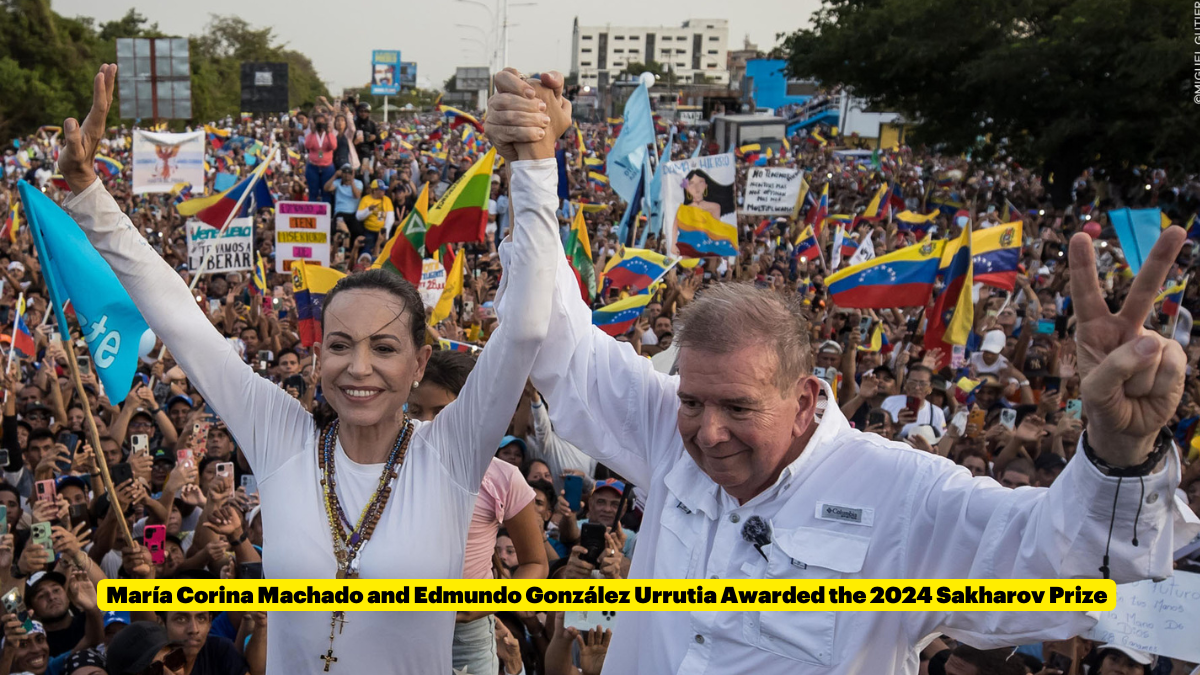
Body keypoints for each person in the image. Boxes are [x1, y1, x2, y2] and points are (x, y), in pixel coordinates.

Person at [487, 67, 1198, 674]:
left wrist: (1119, 450)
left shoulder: (903, 496)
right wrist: (534, 166)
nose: (705, 433)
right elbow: (552, 331)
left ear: (803, 397)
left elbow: (1061, 565)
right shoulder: (667, 434)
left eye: (737, 408)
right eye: (692, 400)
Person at [56, 64, 568, 675]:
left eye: (383, 349)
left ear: (419, 363)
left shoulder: (453, 452)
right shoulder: (280, 437)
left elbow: (529, 325)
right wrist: (89, 196)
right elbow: (179, 321)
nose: (358, 368)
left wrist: (536, 167)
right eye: (340, 345)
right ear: (319, 353)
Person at [407, 349, 548, 674]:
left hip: (466, 639)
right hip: (392, 624)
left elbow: (535, 563)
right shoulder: (385, 469)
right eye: (415, 410)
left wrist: (490, 600)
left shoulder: (501, 477)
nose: (426, 423)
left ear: (471, 411)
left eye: (442, 412)